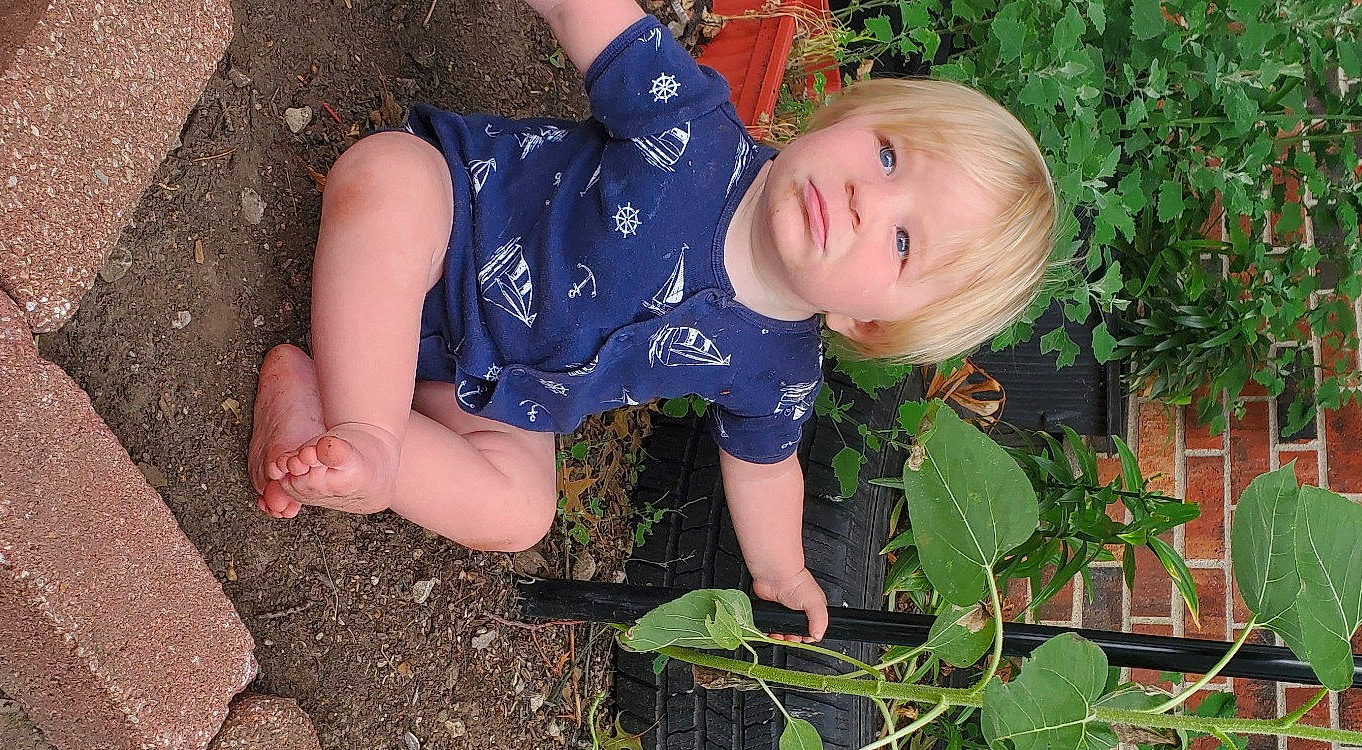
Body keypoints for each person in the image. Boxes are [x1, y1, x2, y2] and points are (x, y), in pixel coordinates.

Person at [246, 0, 1056, 642]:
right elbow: (588, 17)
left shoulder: (779, 369)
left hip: (485, 380)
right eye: (887, 156)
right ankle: (368, 433)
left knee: (520, 511)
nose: (864, 199)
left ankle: (331, 417)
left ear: (868, 325)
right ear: (843, 115)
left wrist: (779, 573)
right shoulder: (692, 125)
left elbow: (767, 469)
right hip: (448, 224)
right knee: (387, 181)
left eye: (903, 241)